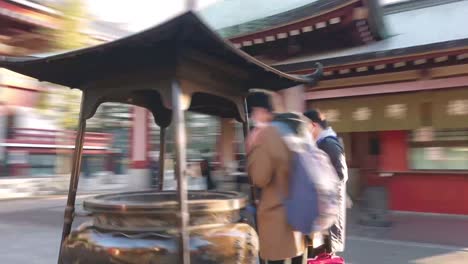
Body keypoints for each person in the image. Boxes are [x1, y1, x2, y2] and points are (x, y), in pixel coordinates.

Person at [246, 92, 305, 264]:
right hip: (301, 212)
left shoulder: (269, 134)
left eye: (253, 111)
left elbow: (259, 178)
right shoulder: (297, 128)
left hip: (277, 215)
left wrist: (254, 148)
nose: (252, 116)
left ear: (261, 110)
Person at [304, 109, 348, 254]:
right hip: (322, 214)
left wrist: (318, 184)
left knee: (325, 254)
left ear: (313, 125)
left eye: (305, 126)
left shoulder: (328, 143)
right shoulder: (320, 143)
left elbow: (341, 174)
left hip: (328, 214)